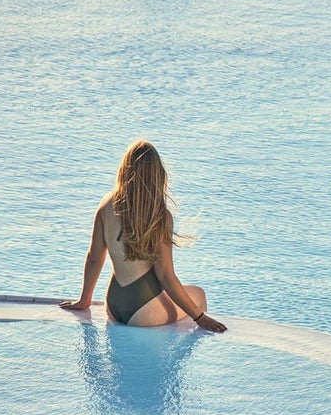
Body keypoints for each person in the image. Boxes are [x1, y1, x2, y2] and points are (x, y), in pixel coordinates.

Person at [60, 140, 227, 333]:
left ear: (124, 170)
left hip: (113, 304)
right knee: (199, 295)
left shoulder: (106, 204)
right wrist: (200, 317)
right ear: (158, 175)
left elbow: (94, 258)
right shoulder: (160, 215)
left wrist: (84, 300)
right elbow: (166, 276)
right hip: (144, 310)